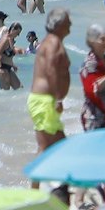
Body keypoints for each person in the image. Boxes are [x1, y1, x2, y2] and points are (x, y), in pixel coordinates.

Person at [27, 9, 73, 154]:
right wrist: (57, 99)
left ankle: (60, 176)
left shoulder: (52, 41)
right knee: (45, 146)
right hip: (45, 100)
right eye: (67, 21)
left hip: (44, 100)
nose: (70, 23)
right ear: (59, 24)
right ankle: (34, 176)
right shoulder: (53, 42)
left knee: (59, 146)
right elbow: (51, 69)